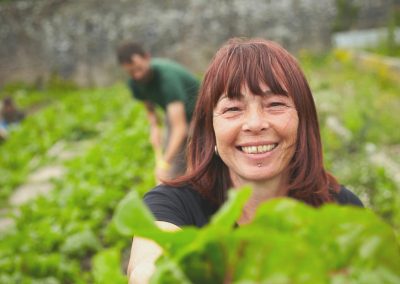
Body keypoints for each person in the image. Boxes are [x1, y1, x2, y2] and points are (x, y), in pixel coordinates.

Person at [127, 38, 363, 283]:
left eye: (275, 104)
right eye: (233, 109)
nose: (255, 124)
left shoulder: (341, 207)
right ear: (211, 129)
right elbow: (148, 265)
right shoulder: (174, 204)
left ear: (303, 121)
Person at [117, 42, 200, 181]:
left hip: (203, 114)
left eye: (139, 68)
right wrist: (154, 126)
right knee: (172, 169)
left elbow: (181, 129)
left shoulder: (167, 78)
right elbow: (148, 104)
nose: (137, 75)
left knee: (196, 159)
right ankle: (173, 186)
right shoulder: (135, 82)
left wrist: (164, 163)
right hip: (175, 112)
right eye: (131, 72)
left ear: (147, 57)